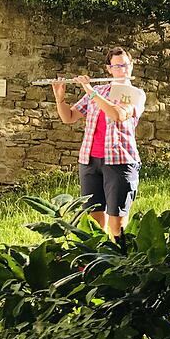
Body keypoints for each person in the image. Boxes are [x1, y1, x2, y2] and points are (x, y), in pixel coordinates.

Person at [52, 47, 146, 240]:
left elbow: (118, 114)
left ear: (132, 65)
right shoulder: (99, 90)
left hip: (120, 161)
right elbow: (69, 117)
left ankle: (122, 261)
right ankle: (98, 263)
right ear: (109, 69)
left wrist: (90, 91)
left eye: (125, 65)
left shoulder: (135, 93)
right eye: (117, 66)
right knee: (94, 222)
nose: (122, 70)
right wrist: (60, 98)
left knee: (117, 223)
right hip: (90, 160)